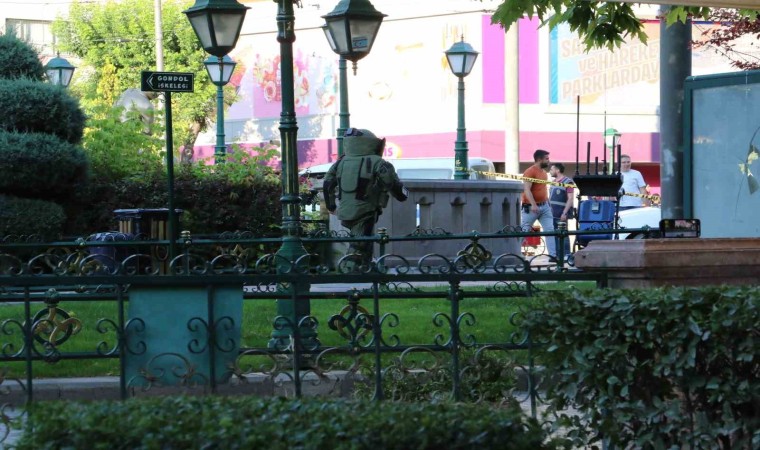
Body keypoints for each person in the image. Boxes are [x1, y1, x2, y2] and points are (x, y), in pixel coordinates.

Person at [322, 128, 408, 267]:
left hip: (345, 209)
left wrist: (331, 205)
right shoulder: (377, 162)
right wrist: (402, 195)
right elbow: (391, 182)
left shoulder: (341, 162)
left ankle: (365, 268)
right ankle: (349, 270)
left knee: (365, 241)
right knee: (359, 244)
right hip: (365, 209)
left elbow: (327, 184)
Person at [521, 149, 557, 262]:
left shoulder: (544, 173)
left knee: (550, 231)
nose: (549, 161)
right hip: (530, 207)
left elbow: (543, 189)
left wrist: (548, 204)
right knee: (524, 231)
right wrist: (533, 205)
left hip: (544, 206)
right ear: (539, 159)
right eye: (547, 159)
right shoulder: (530, 171)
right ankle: (514, 254)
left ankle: (553, 256)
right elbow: (527, 189)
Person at [549, 162, 574, 258]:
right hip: (552, 214)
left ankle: (566, 254)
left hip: (561, 214)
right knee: (555, 235)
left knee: (564, 234)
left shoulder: (568, 182)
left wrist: (564, 213)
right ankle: (557, 255)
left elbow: (570, 198)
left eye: (552, 169)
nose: (550, 171)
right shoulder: (553, 182)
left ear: (557, 170)